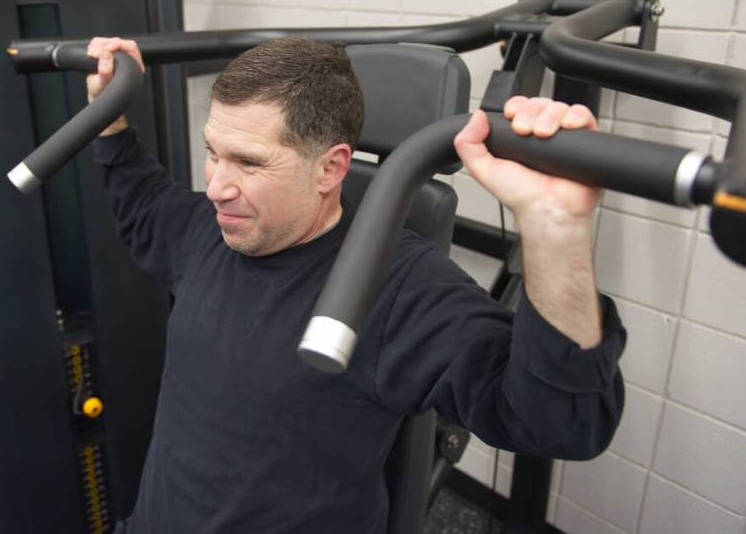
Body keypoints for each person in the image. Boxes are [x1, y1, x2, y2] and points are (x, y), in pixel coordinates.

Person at [86, 36, 626, 534]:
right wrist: (110, 113)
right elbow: (143, 208)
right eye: (213, 152)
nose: (216, 186)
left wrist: (556, 229)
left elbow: (559, 423)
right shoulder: (212, 228)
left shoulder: (395, 287)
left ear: (330, 168)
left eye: (248, 163)